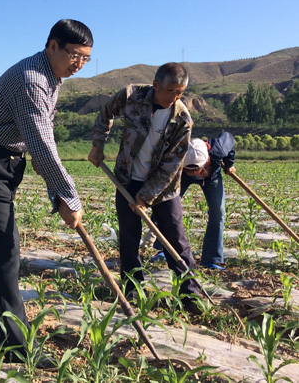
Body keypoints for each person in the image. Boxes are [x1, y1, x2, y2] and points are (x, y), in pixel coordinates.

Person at [0, 19, 92, 368]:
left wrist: (50, 180)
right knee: (5, 247)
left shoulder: (51, 76)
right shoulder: (33, 79)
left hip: (0, 159)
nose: (79, 64)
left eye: (86, 59)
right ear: (53, 46)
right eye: (75, 55)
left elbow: (37, 135)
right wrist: (66, 195)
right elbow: (42, 142)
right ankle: (17, 346)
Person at [88, 62, 200, 302]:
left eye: (180, 92)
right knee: (129, 239)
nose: (175, 97)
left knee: (175, 238)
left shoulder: (182, 120)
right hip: (127, 179)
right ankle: (132, 291)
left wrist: (146, 196)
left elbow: (172, 164)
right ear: (156, 85)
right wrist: (98, 145)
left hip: (163, 188)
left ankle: (190, 295)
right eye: (171, 91)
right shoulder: (131, 97)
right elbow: (105, 115)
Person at [151, 133, 236, 270]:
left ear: (206, 161)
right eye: (190, 170)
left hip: (211, 178)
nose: (195, 173)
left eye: (197, 169)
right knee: (167, 209)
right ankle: (163, 250)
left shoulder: (218, 150)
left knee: (218, 212)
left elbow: (229, 139)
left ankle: (211, 258)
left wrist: (229, 164)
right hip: (181, 178)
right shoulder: (177, 154)